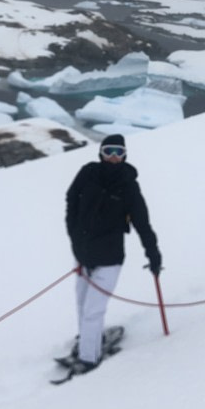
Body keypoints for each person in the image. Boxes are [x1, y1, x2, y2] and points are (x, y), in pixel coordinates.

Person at [65, 134, 161, 374]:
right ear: (101, 153)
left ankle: (89, 357)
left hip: (109, 258)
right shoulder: (88, 173)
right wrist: (74, 234)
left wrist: (153, 253)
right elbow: (71, 200)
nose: (114, 157)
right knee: (82, 303)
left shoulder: (128, 185)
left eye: (119, 152)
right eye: (109, 151)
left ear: (125, 154)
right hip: (83, 254)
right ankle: (88, 339)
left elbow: (142, 222)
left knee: (93, 310)